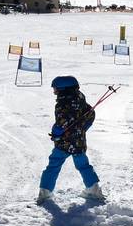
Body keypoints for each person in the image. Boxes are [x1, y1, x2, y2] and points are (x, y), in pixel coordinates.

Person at [37, 75, 105, 204]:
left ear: (64, 89)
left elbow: (62, 123)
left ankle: (45, 192)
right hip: (79, 142)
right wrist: (82, 129)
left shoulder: (63, 104)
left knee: (54, 164)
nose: (54, 92)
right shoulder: (80, 99)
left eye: (56, 89)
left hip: (65, 143)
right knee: (83, 165)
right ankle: (94, 190)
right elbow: (91, 114)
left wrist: (56, 133)